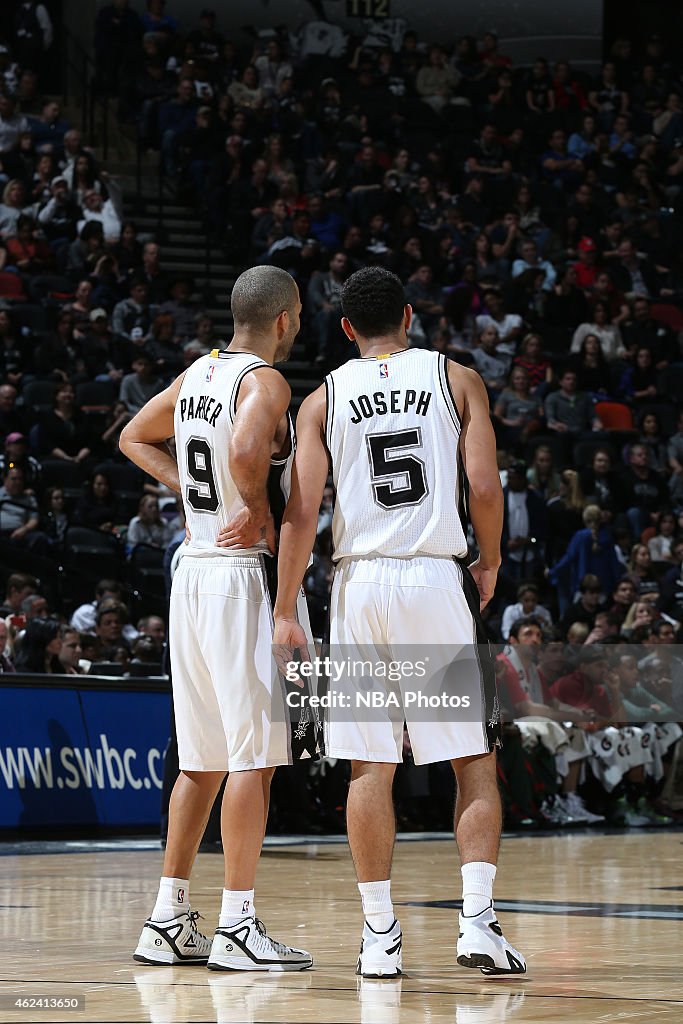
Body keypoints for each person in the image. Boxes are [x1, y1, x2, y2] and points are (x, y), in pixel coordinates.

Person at [269, 266, 525, 978]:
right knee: (472, 759)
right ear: (409, 317)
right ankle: (476, 924)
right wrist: (490, 558)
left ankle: (379, 936)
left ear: (345, 328)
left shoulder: (321, 399)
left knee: (368, 767)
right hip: (432, 574)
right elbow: (481, 484)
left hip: (357, 585)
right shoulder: (457, 377)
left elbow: (299, 511)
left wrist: (286, 608)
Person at [120, 265, 314, 971]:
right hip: (235, 578)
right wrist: (255, 509)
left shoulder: (199, 373)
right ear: (285, 319)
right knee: (251, 760)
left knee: (199, 762)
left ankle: (166, 918)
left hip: (192, 570)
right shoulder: (264, 382)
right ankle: (237, 926)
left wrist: (189, 497)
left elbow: (134, 438)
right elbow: (241, 452)